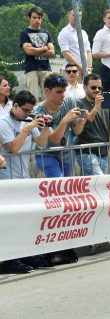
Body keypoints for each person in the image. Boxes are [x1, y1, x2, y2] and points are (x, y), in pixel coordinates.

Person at [0, 90, 51, 274]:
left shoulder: (29, 120)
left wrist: (45, 126)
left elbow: (42, 142)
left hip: (24, 177)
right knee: (10, 222)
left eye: (30, 111)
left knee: (25, 220)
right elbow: (13, 148)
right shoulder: (4, 122)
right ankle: (9, 260)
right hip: (8, 178)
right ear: (14, 106)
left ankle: (26, 254)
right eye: (25, 111)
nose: (27, 114)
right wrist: (26, 129)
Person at [72, 73, 110, 175]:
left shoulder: (105, 102)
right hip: (86, 152)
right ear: (84, 88)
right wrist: (96, 108)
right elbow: (83, 127)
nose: (97, 90)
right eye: (93, 87)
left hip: (103, 153)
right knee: (100, 181)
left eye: (99, 88)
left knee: (96, 186)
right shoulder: (78, 103)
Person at [33, 73, 79, 177]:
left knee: (68, 187)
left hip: (66, 154)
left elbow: (77, 131)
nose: (62, 95)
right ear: (47, 91)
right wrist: (64, 121)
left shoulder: (70, 102)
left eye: (64, 91)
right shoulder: (38, 112)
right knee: (59, 183)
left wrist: (84, 119)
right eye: (58, 92)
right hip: (46, 154)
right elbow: (54, 139)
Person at [20, 6, 55, 100]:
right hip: (31, 69)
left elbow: (52, 52)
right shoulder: (24, 33)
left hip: (46, 69)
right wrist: (44, 48)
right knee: (32, 98)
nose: (37, 20)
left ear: (41, 19)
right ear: (29, 18)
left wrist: (34, 50)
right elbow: (28, 51)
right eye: (34, 17)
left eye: (39, 18)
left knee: (48, 98)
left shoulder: (46, 33)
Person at [58, 8, 92, 74]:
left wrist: (89, 68)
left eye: (79, 16)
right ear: (68, 16)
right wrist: (80, 67)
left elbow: (88, 51)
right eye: (74, 15)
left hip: (86, 72)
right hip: (71, 71)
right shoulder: (64, 32)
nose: (77, 17)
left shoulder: (84, 33)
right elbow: (66, 53)